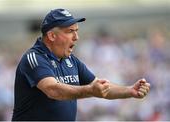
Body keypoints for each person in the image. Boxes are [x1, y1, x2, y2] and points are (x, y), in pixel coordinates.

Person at [12, 8, 150, 121]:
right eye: (70, 31)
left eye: (76, 31)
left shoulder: (71, 60)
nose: (76, 37)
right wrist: (90, 90)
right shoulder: (34, 58)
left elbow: (100, 88)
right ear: (52, 36)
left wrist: (130, 91)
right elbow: (53, 90)